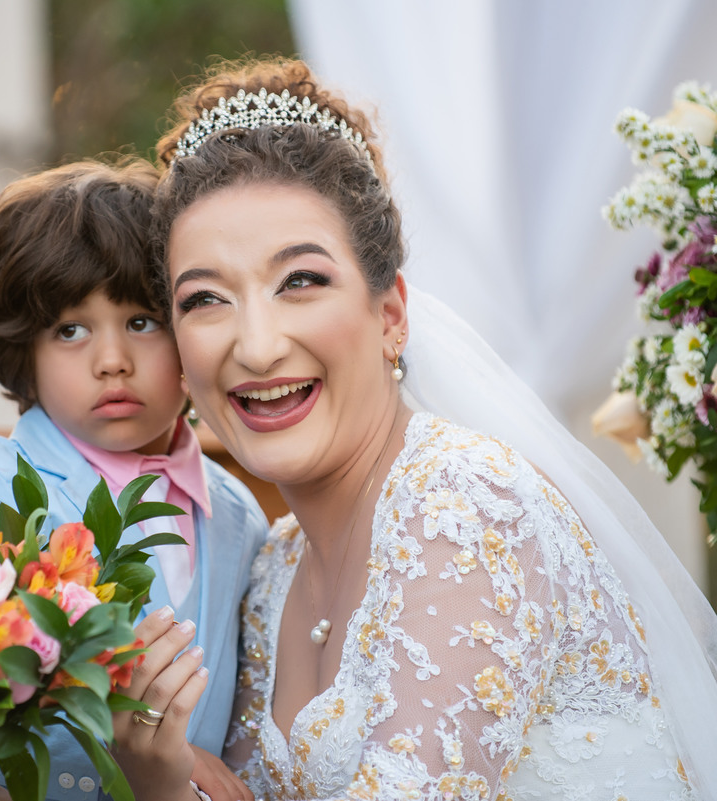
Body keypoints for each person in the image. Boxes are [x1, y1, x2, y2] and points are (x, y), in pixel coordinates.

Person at [118, 57, 717, 800]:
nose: (258, 344)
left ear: (390, 316)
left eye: (301, 281)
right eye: (206, 299)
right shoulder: (270, 570)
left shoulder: (467, 503)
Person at [0, 158, 269, 801]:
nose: (112, 362)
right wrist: (173, 756)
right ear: (24, 349)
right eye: (70, 330)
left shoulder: (240, 515)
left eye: (142, 321)